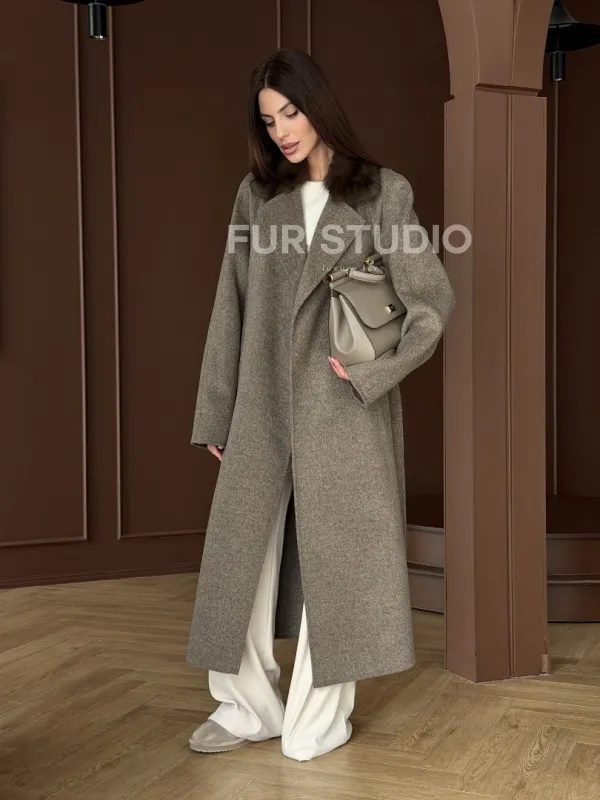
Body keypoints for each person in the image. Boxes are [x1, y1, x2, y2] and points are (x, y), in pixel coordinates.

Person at [185, 48, 455, 762]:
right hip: (263, 402)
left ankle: (318, 718)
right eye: (268, 120)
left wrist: (375, 372)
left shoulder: (381, 192)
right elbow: (230, 303)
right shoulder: (256, 198)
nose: (281, 131)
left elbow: (429, 302)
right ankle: (246, 707)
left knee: (340, 568)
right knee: (241, 561)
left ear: (318, 106)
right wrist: (217, 410)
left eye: (291, 112)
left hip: (344, 405)